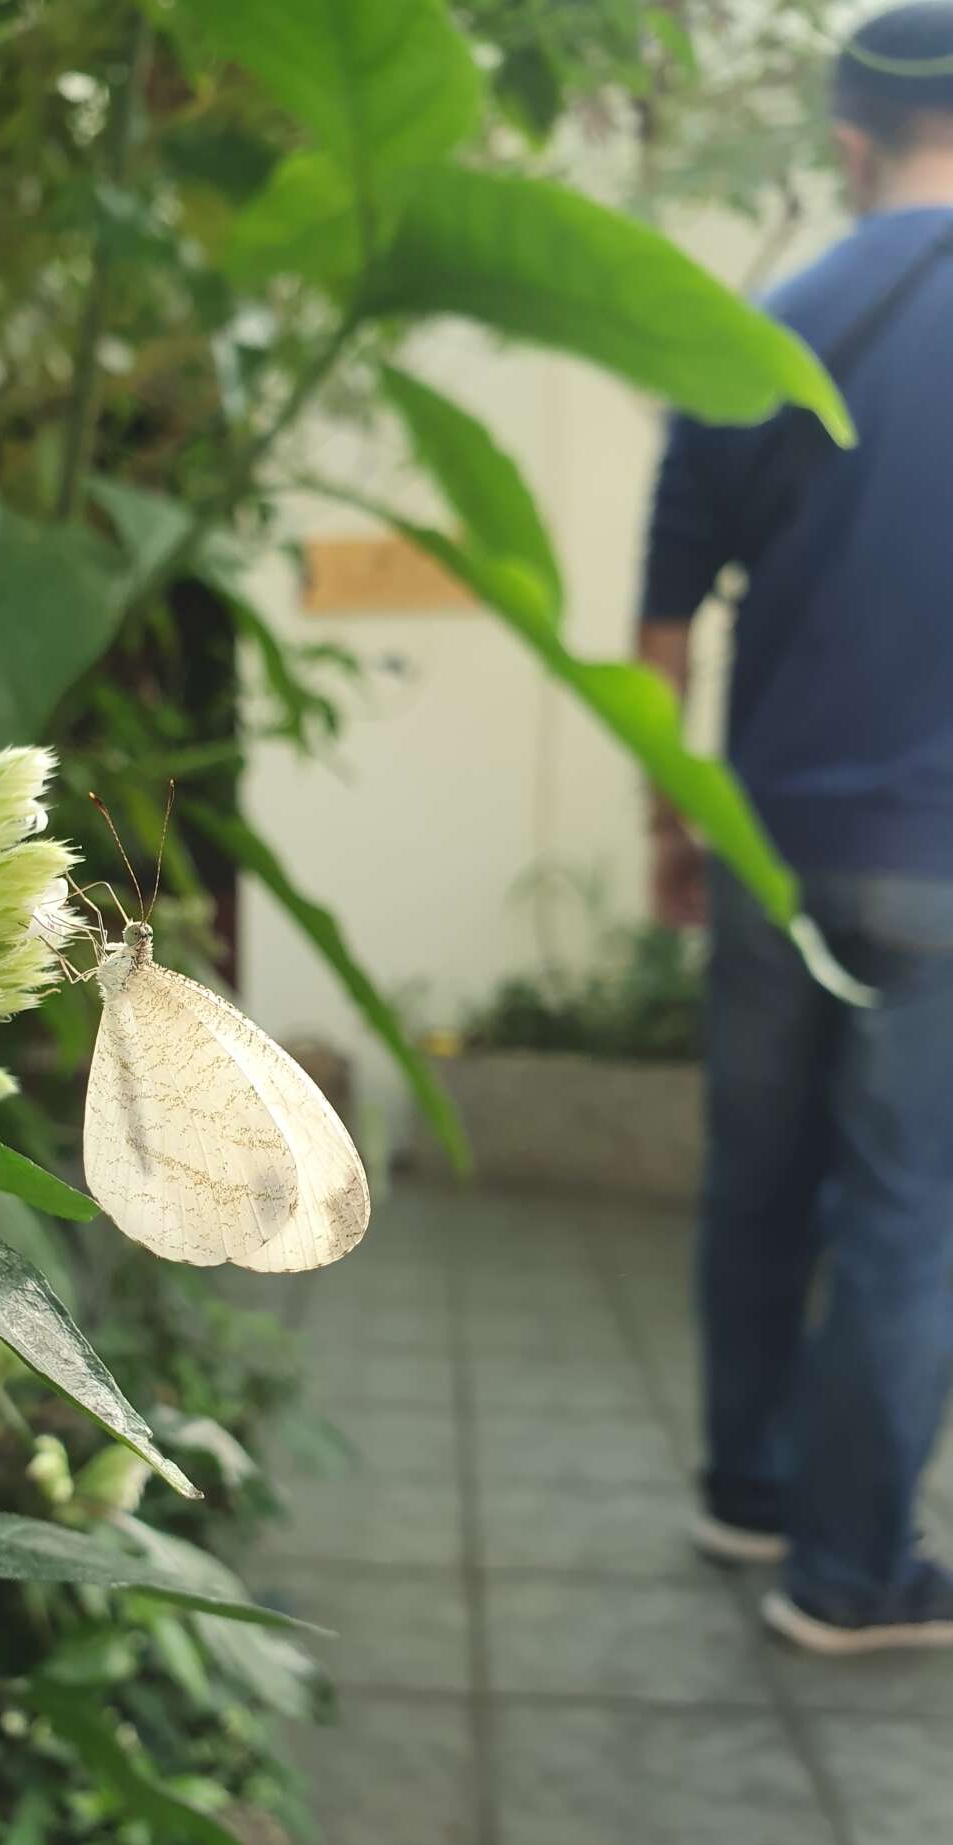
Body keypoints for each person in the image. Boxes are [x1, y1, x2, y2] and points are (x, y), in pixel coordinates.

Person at [640, 0, 953, 1652]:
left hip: (769, 845)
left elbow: (663, 634)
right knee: (910, 1213)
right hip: (945, 861)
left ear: (847, 142)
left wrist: (670, 830)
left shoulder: (763, 331)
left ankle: (744, 1490)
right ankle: (850, 1574)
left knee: (757, 1179)